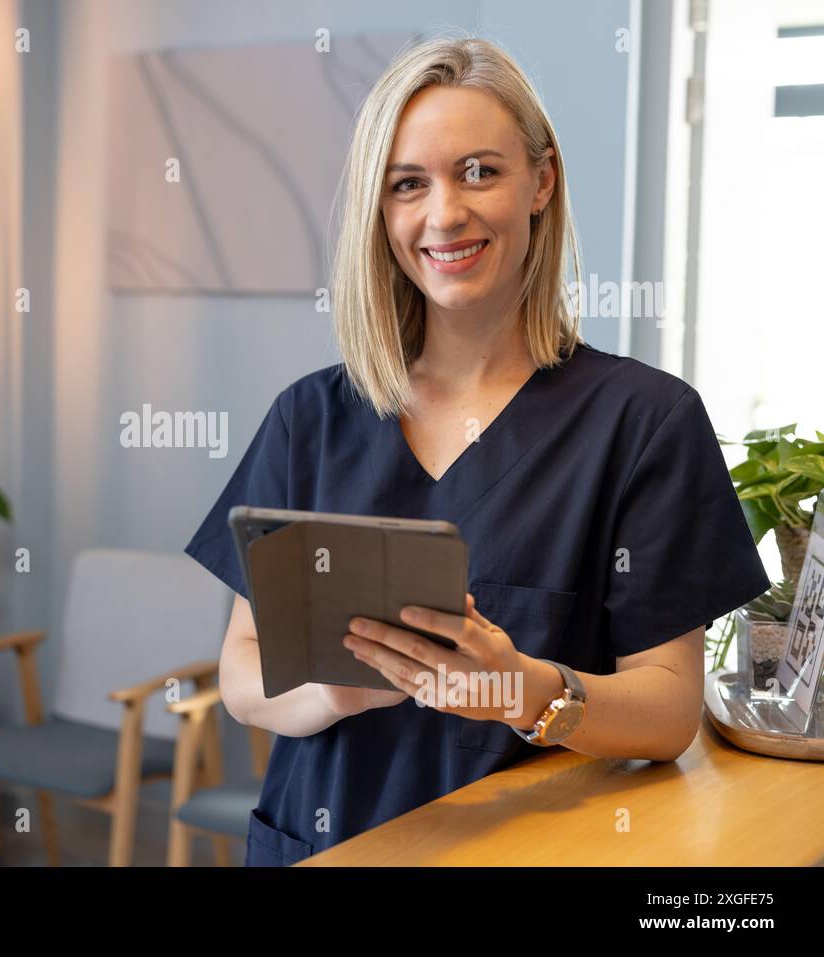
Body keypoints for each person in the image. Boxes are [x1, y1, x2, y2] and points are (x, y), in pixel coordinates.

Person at [183, 36, 770, 867]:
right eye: (408, 184)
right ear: (381, 212)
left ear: (542, 181)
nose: (443, 213)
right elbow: (242, 675)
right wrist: (330, 688)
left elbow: (671, 710)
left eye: (479, 171)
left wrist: (520, 687)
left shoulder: (645, 422)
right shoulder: (308, 419)